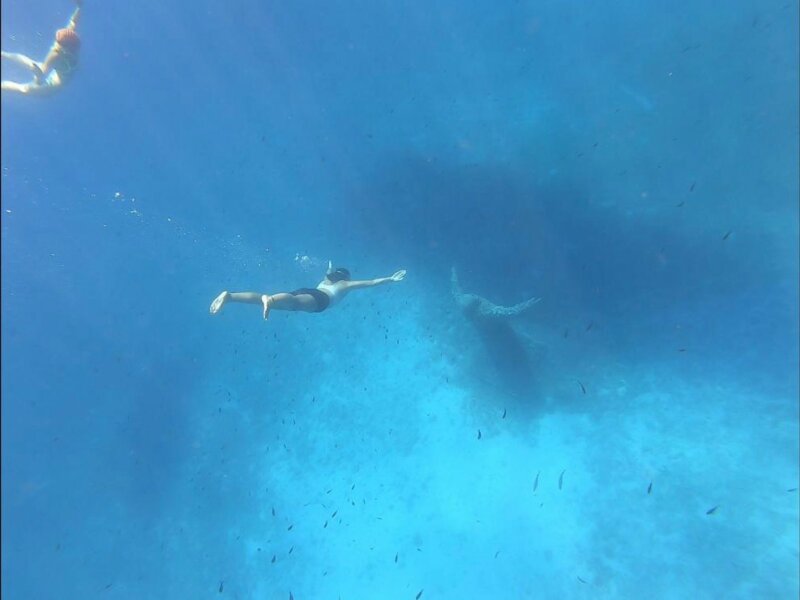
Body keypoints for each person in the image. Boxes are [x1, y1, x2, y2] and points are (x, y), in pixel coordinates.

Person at [210, 261, 407, 320]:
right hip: (320, 300)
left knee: (285, 301)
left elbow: (329, 270)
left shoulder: (327, 278)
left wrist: (330, 268)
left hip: (311, 291)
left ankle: (231, 296)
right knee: (292, 304)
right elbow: (371, 282)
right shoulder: (344, 285)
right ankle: (269, 300)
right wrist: (390, 279)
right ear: (346, 277)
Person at [2, 0, 82, 96]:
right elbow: (73, 22)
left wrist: (79, 7)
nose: (56, 43)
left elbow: (40, 80)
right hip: (55, 80)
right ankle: (3, 55)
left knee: (27, 80)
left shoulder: (59, 50)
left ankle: (3, 55)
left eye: (58, 42)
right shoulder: (63, 49)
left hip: (53, 79)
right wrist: (79, 7)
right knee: (27, 79)